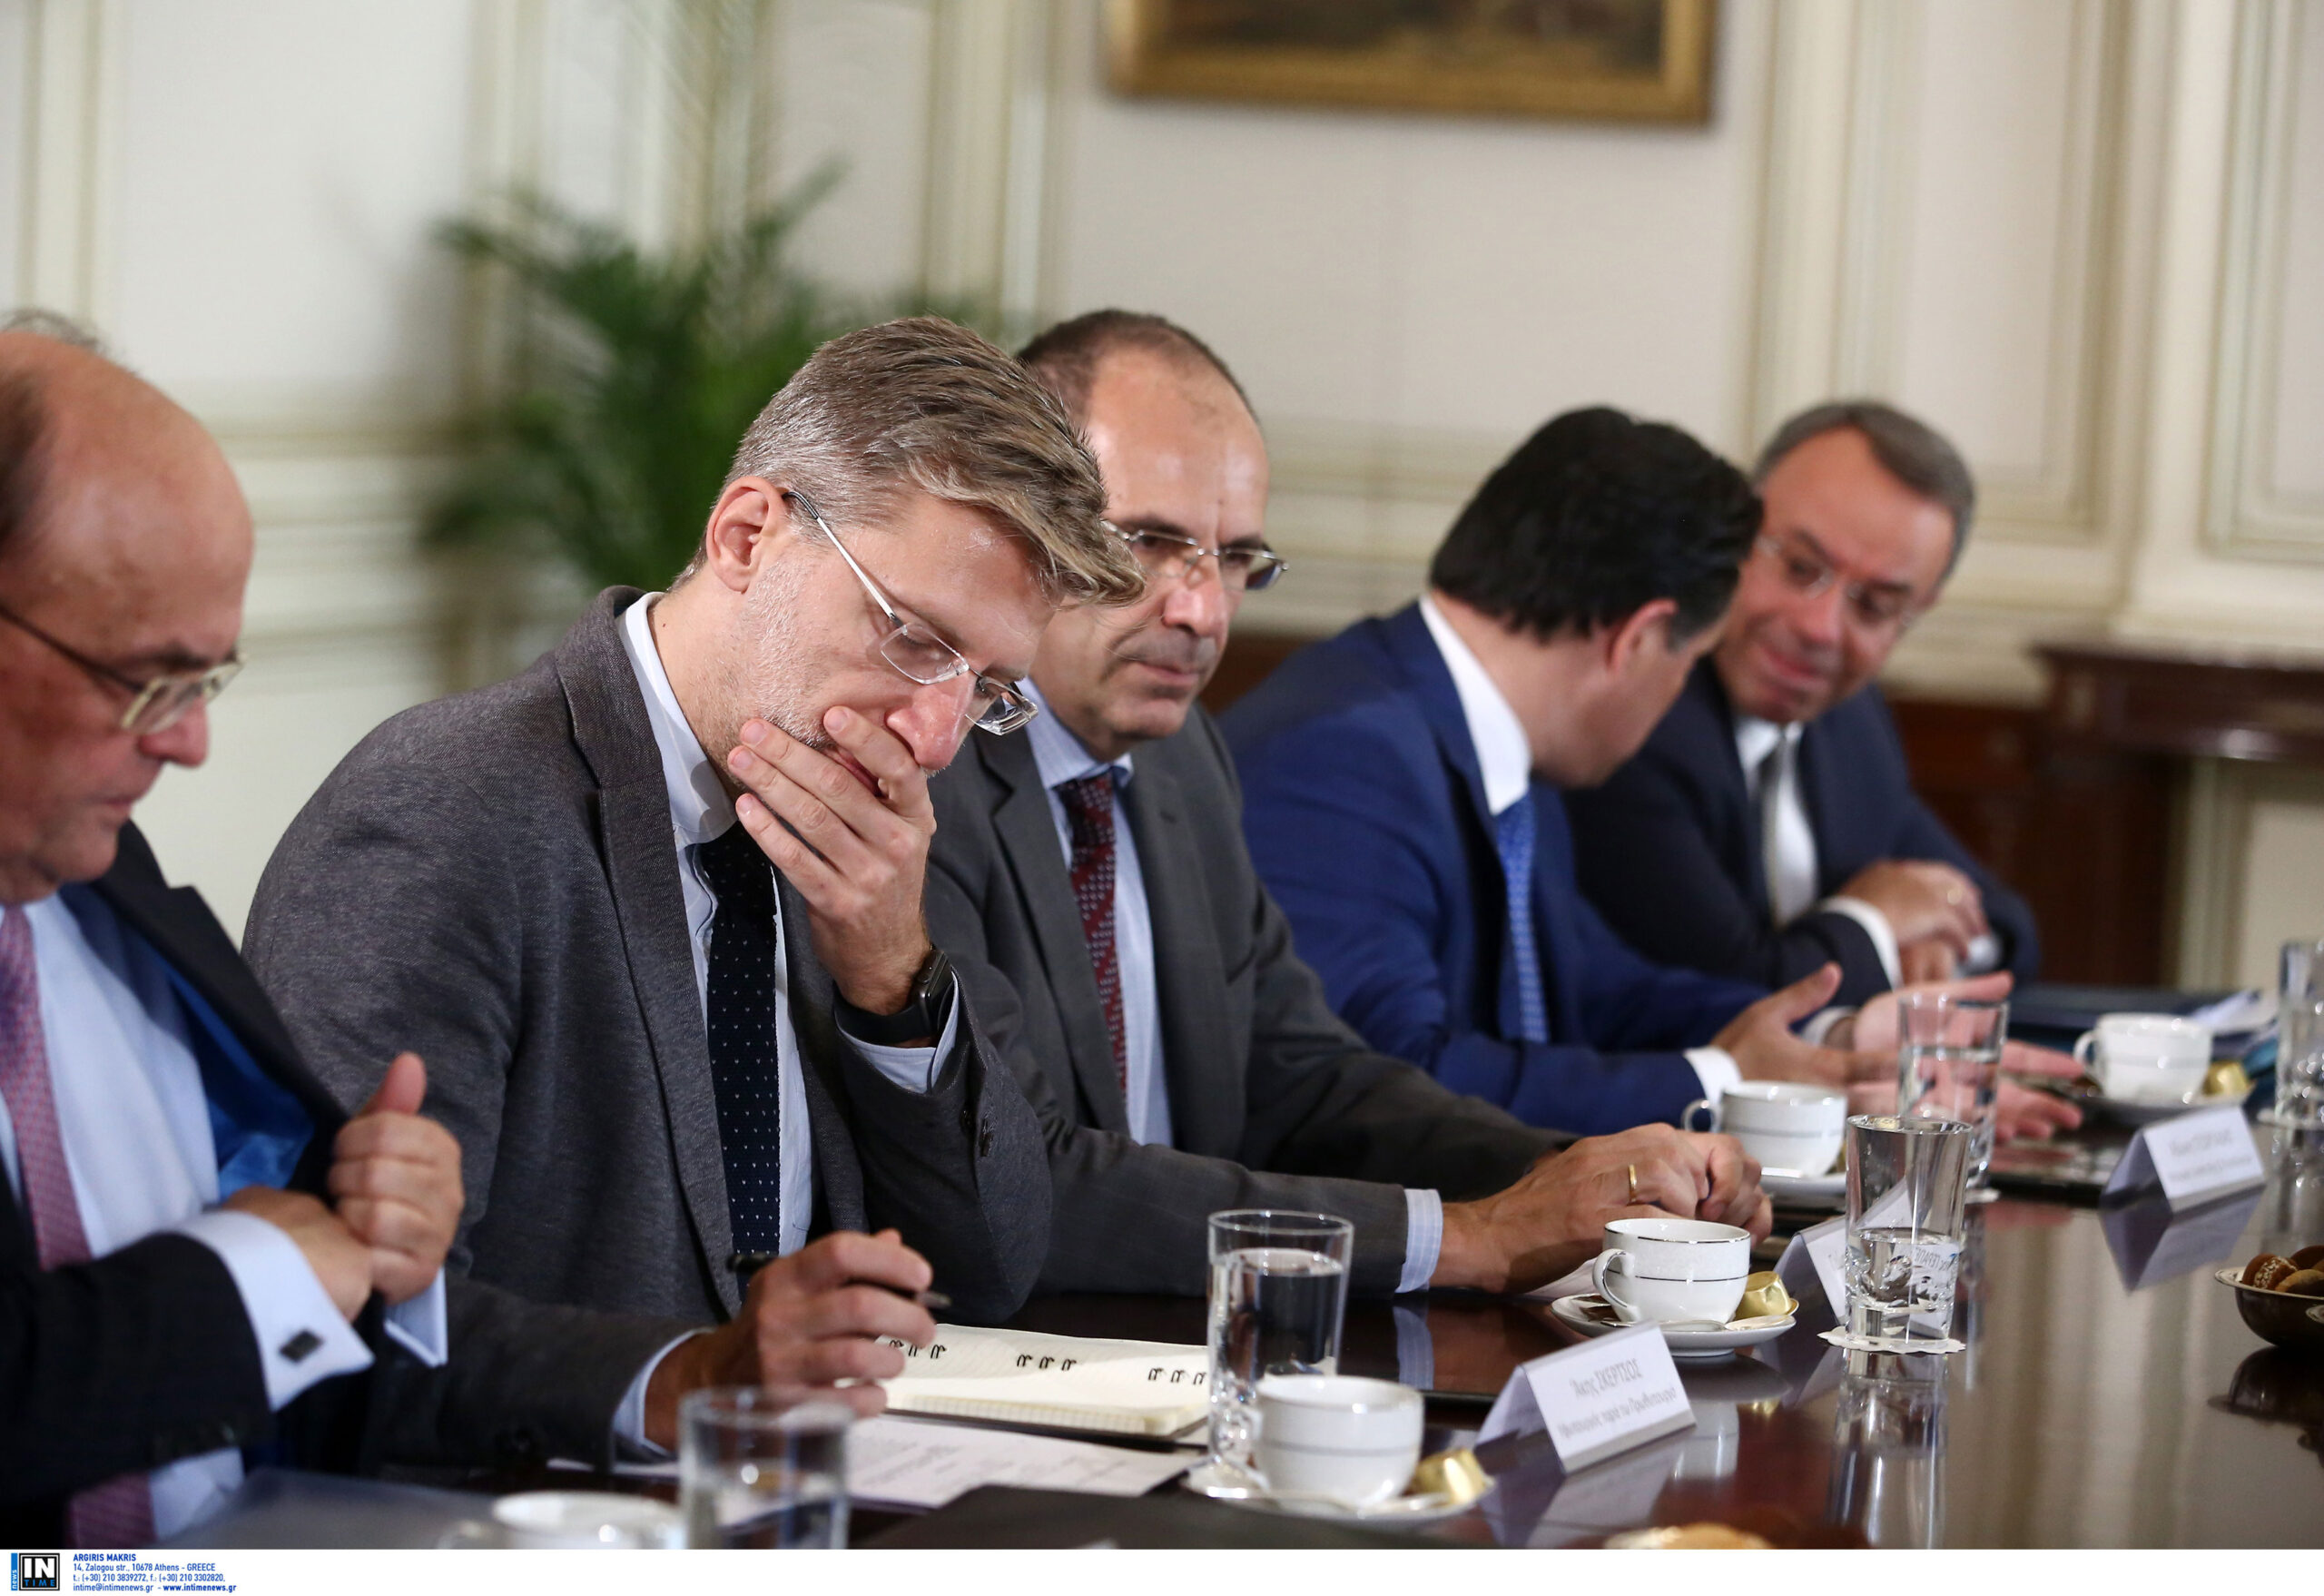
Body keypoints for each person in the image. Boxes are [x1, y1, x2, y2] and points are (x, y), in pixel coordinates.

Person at [247, 318, 1142, 1456]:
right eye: (915, 639)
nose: (933, 737)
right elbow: (344, 1326)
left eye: (986, 690)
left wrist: (890, 976)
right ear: (747, 536)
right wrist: (685, 1380)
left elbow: (996, 1265)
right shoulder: (445, 809)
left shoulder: (862, 819)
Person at [924, 311, 1771, 1300]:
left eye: (1234, 559)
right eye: (1149, 543)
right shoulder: (934, 767)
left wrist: (1578, 1175)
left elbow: (1304, 1077)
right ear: (1021, 520)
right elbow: (1029, 1177)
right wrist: (1475, 1236)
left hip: (1195, 1336)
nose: (1203, 612)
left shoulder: (1179, 760)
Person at [1222, 408, 2080, 1139]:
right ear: (1636, 642)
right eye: (1687, 661)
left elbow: (1600, 988)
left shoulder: (1497, 743)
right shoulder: (1343, 757)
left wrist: (1831, 1040)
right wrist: (1722, 1080)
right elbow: (1395, 1082)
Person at [0, 316, 463, 1544]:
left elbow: (278, 1259)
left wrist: (371, 1226)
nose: (190, 742)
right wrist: (255, 1281)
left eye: (205, 681)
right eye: (145, 681)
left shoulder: (101, 874)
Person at [1563, 400, 2040, 1003]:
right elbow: (1734, 989)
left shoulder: (1853, 721)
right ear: (1739, 529)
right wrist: (1873, 924)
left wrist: (1940, 935)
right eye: (1799, 567)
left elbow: (2008, 922)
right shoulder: (1642, 713)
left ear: (1917, 613)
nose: (1821, 629)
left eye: (1875, 607)